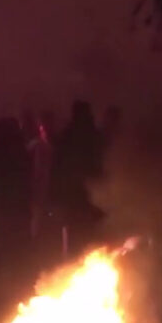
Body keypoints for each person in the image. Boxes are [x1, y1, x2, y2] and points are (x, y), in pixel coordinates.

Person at [0, 117, 33, 305]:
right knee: (14, 253)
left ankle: (0, 292)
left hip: (4, 211)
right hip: (13, 211)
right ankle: (13, 291)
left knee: (2, 252)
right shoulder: (21, 154)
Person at [50, 100, 106, 258]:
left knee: (78, 244)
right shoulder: (94, 137)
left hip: (78, 199)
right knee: (91, 242)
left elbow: (57, 169)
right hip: (88, 200)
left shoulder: (68, 137)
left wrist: (55, 197)